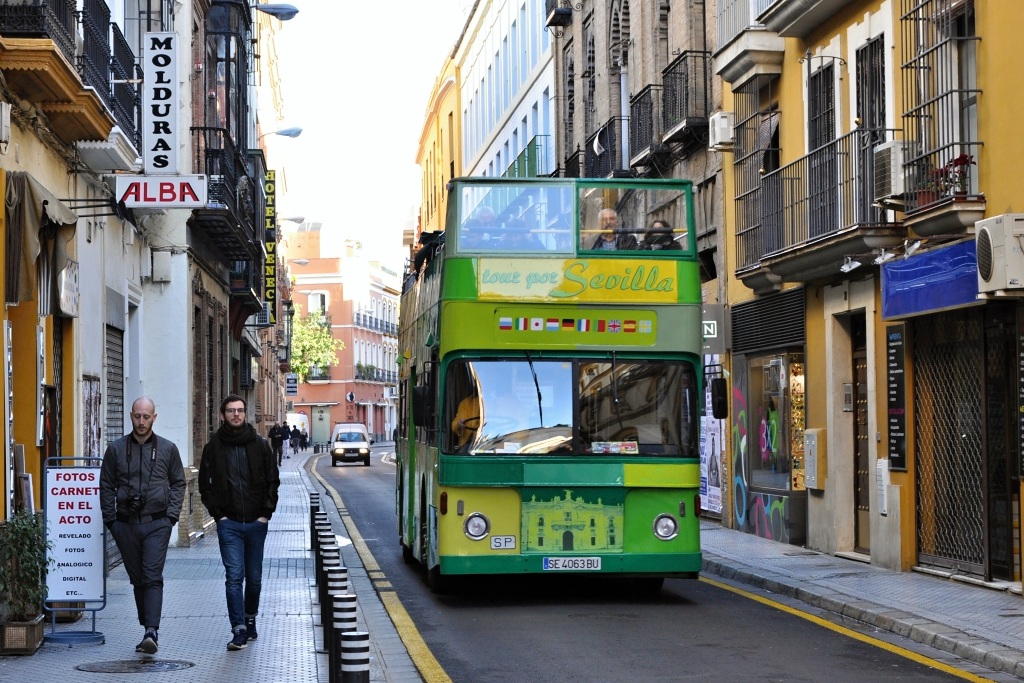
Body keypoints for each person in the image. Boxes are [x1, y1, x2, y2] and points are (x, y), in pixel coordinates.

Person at [99, 396, 186, 655]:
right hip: (124, 524)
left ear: (154, 418)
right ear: (130, 416)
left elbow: (179, 483)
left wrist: (171, 517)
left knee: (151, 576)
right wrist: (110, 520)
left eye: (146, 417)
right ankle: (146, 628)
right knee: (137, 579)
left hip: (157, 523)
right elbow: (106, 485)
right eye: (137, 416)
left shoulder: (168, 449)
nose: (141, 421)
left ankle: (152, 631)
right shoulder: (115, 449)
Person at [199, 395, 280, 651]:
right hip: (229, 524)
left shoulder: (259, 444)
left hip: (257, 523)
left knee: (254, 579)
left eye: (240, 410)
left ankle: (250, 617)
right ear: (222, 415)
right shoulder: (213, 447)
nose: (236, 414)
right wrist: (218, 515)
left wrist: (266, 513)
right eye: (231, 411)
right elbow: (204, 484)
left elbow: (272, 480)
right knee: (234, 577)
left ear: (246, 414)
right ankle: (238, 629)